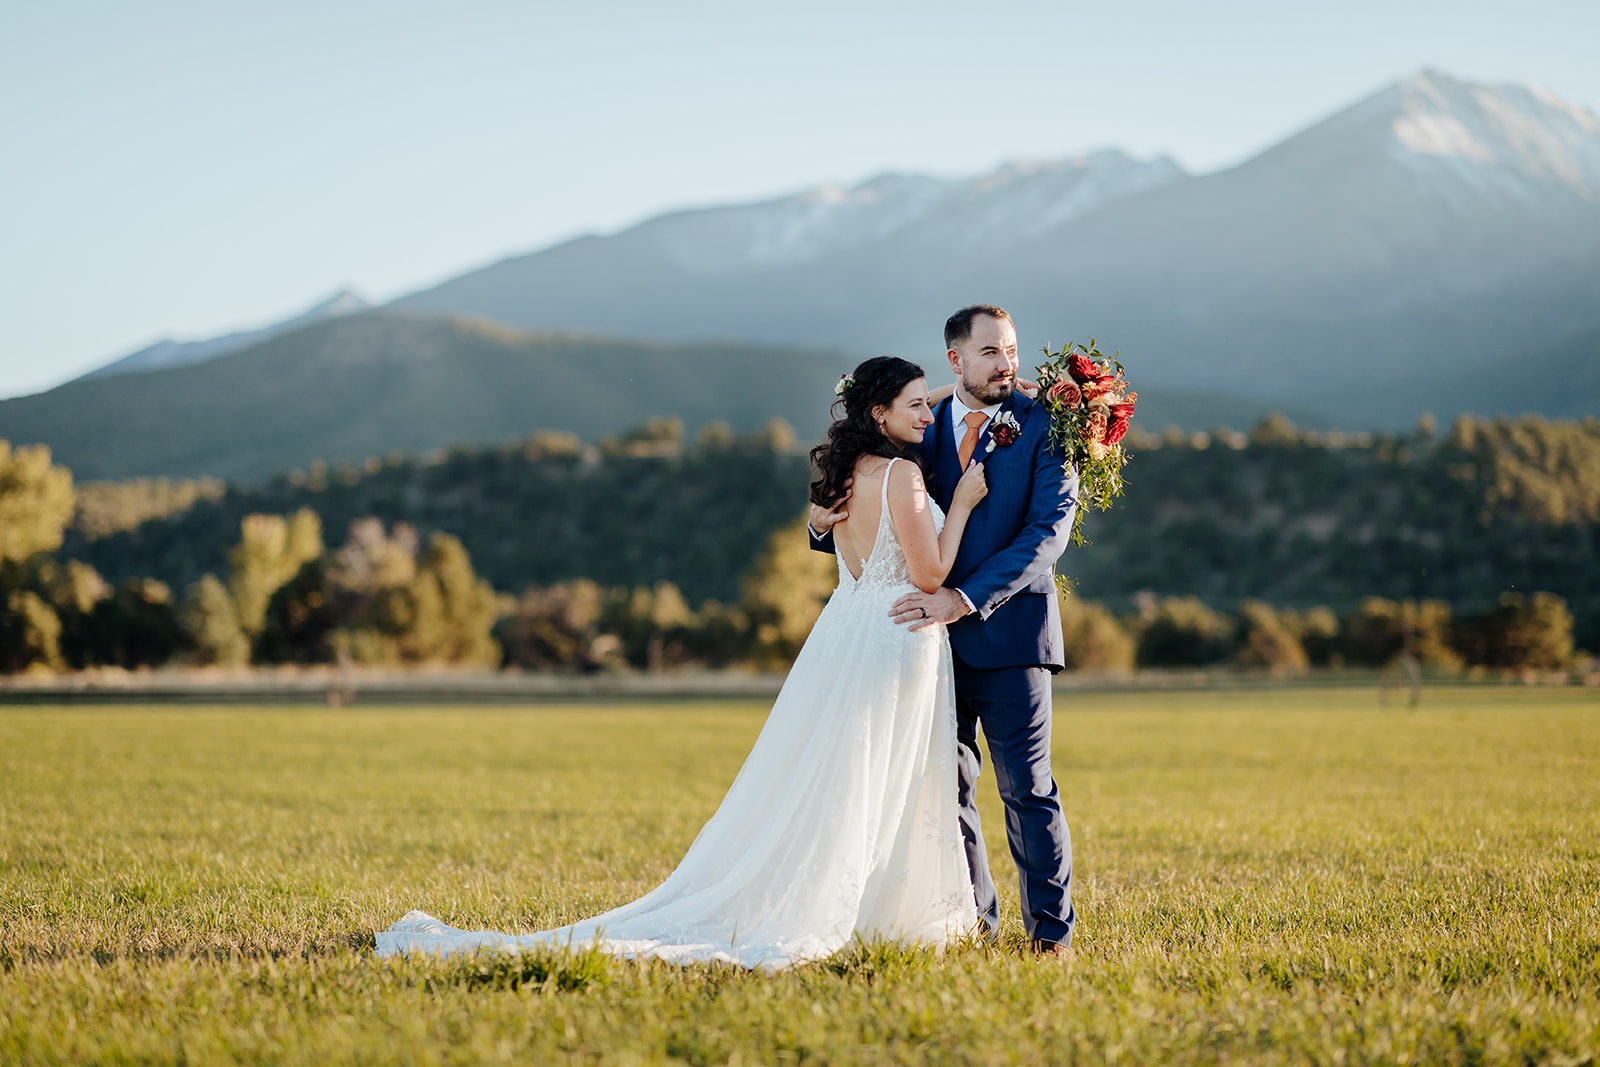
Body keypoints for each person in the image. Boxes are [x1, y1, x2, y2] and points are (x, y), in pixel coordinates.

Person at [376, 356, 990, 970]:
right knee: (886, 776)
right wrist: (960, 504)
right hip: (898, 629)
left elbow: (896, 417)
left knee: (846, 775)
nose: (927, 412)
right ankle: (874, 910)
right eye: (916, 404)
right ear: (881, 413)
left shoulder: (845, 477)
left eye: (927, 401)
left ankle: (860, 902)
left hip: (847, 630)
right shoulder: (904, 478)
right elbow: (930, 573)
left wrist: (965, 388)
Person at [809, 304, 1080, 955]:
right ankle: (973, 921)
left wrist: (961, 598)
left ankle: (1051, 933)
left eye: (1010, 349)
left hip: (1012, 636)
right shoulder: (919, 424)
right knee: (944, 789)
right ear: (955, 359)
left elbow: (1047, 535)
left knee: (1028, 788)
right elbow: (872, 505)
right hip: (927, 649)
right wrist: (820, 525)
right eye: (989, 352)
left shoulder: (1049, 425)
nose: (1006, 363)